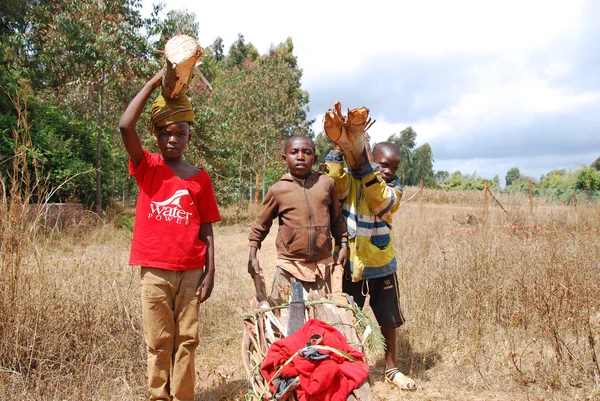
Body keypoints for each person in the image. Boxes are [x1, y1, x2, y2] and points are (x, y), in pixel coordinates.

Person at [119, 71, 221, 401]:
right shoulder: (147, 166)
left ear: (190, 136)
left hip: (191, 273)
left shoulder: (199, 178)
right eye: (164, 133)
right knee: (159, 341)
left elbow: (206, 226)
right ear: (156, 136)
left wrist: (210, 271)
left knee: (187, 341)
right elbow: (125, 127)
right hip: (154, 271)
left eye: (180, 133)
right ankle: (158, 396)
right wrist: (152, 84)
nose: (172, 139)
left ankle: (184, 396)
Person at [324, 139, 417, 391]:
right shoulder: (350, 180)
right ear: (370, 157)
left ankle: (392, 370)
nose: (389, 172)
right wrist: (338, 150)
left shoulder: (393, 188)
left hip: (381, 263)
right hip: (350, 264)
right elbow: (335, 181)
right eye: (384, 165)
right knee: (346, 318)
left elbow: (380, 201)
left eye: (394, 168)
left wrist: (369, 170)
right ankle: (348, 368)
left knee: (388, 321)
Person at [248, 135, 349, 304]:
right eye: (294, 152)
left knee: (323, 318)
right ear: (284, 157)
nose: (300, 156)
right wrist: (253, 255)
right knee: (287, 318)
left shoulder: (326, 184)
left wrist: (344, 244)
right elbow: (261, 224)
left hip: (321, 266)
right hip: (289, 267)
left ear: (315, 158)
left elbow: (337, 219)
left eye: (306, 152)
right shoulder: (278, 189)